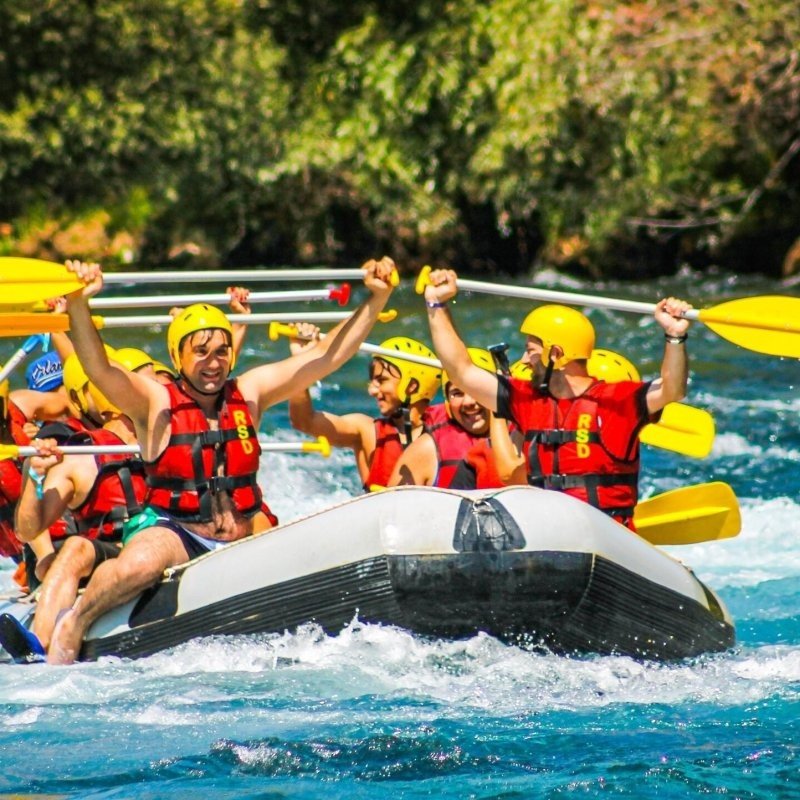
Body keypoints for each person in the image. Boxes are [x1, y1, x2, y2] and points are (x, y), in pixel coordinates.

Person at [46, 256, 397, 664]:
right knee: (137, 566)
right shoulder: (154, 400)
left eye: (221, 351)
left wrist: (377, 298)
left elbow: (324, 358)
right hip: (179, 532)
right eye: (201, 352)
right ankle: (75, 620)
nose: (213, 362)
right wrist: (78, 304)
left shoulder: (249, 393)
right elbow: (98, 367)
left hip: (242, 531)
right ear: (178, 356)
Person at [422, 268, 691, 528]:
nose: (525, 360)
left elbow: (672, 389)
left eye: (531, 351)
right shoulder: (526, 400)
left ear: (556, 354)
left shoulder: (616, 400)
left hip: (607, 536)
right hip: (549, 533)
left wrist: (675, 336)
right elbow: (461, 371)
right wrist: (437, 305)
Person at [9, 355, 146, 657]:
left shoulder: (165, 426)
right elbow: (28, 529)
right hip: (113, 548)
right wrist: (35, 473)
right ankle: (39, 643)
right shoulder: (73, 449)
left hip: (166, 538)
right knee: (76, 548)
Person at [288, 331, 441, 489]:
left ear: (411, 386)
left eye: (381, 381)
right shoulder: (367, 431)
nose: (372, 391)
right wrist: (301, 360)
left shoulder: (445, 433)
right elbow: (304, 421)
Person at [388, 348, 504, 489]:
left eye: (476, 389)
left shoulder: (520, 436)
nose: (468, 402)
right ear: (447, 403)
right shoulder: (426, 449)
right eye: (457, 393)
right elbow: (392, 508)